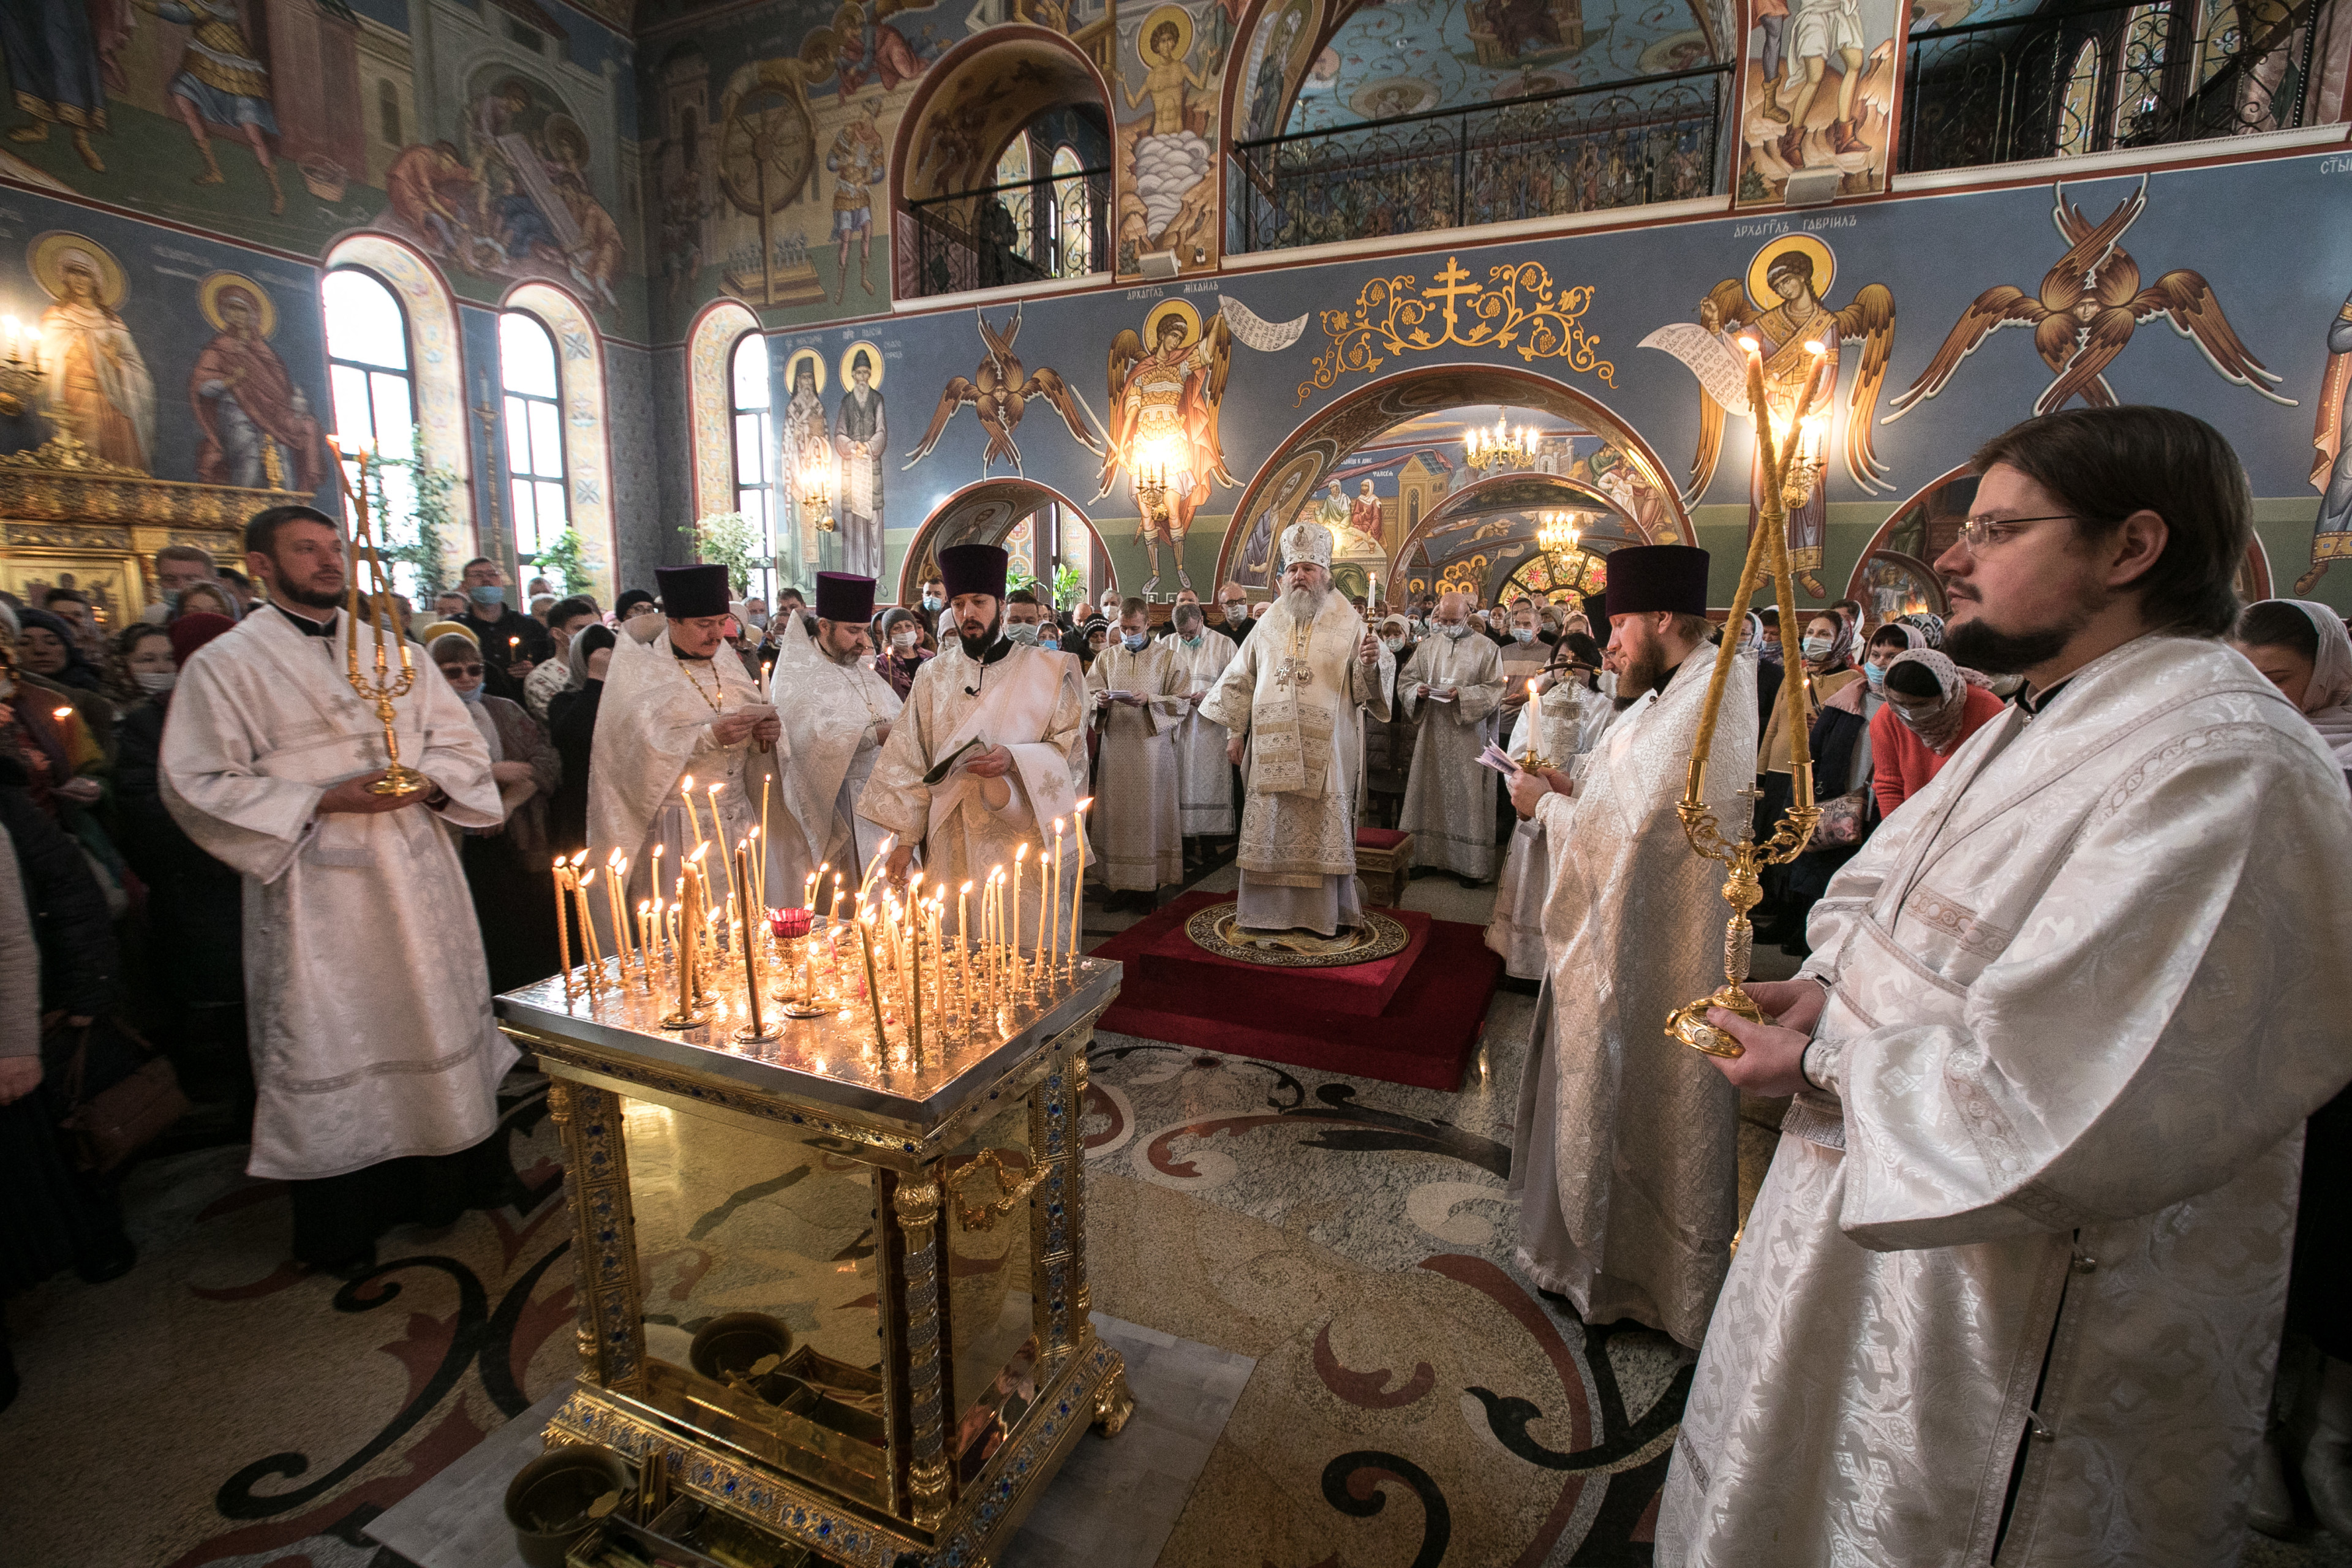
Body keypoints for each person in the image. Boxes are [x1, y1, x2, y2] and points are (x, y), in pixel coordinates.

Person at [1660, 407, 2352, 1567]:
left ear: (2131, 548)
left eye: (1996, 527)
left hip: (2011, 1322)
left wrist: (1822, 1061)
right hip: (1875, 1238)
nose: (1948, 554)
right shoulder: (2059, 708)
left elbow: (2088, 1086)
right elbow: (1889, 883)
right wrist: (1828, 990)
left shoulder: (2225, 761)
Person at [160, 505, 514, 1276]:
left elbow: (460, 747)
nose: (327, 562)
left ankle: (450, 1180)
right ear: (259, 565)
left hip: (416, 872)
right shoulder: (225, 666)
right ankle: (346, 1216)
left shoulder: (396, 655)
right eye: (306, 550)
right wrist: (321, 798)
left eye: (335, 548)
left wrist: (429, 781)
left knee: (431, 1010)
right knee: (333, 1027)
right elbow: (194, 783)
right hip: (315, 890)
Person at [1504, 546, 1754, 1348]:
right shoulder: (1667, 694)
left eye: (1617, 625)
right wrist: (1577, 788)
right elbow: (1628, 800)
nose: (1606, 645)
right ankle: (1571, 1257)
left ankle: (1631, 1281)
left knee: (1635, 1103)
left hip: (1656, 964)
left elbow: (1638, 842)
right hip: (1621, 942)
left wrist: (1546, 810)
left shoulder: (1711, 702)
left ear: (1664, 620)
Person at [858, 543, 1088, 945]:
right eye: (959, 603)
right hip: (949, 838)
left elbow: (1072, 754)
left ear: (999, 604)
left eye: (978, 602)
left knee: (1021, 944)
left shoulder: (1045, 671)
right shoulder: (932, 676)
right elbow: (909, 756)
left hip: (1020, 835)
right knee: (957, 945)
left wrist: (1015, 760)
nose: (968, 614)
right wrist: (906, 842)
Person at [1199, 521, 1395, 938]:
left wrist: (1372, 663)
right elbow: (1240, 679)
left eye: (1309, 567)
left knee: (1320, 833)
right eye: (1293, 569)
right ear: (1281, 578)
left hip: (1329, 751)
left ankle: (1323, 915)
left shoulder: (1350, 622)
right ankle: (1265, 916)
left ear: (1326, 574)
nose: (1300, 576)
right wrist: (1236, 732)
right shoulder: (1268, 622)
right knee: (1269, 829)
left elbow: (1367, 687)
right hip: (1270, 747)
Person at [587, 564, 780, 924]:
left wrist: (764, 737)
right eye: (703, 624)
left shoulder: (729, 666)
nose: (716, 634)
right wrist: (707, 736)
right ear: (673, 621)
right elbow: (635, 750)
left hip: (737, 818)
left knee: (745, 926)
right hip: (680, 825)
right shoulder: (644, 674)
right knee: (688, 930)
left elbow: (754, 743)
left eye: (720, 621)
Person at [113, 612, 247, 1112]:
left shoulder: (253, 710)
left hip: (272, 883)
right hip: (205, 890)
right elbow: (149, 816)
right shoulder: (149, 726)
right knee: (232, 1017)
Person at [430, 630, 560, 993]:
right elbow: (422, 774)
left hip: (514, 835)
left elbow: (545, 759)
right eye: (453, 673)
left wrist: (506, 804)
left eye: (475, 670)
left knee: (522, 927)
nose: (467, 679)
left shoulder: (504, 709)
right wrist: (490, 771)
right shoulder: (419, 721)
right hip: (454, 842)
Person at [768, 571, 899, 908]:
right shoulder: (799, 674)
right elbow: (806, 739)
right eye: (853, 631)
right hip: (839, 803)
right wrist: (872, 736)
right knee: (853, 902)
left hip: (881, 804)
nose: (864, 642)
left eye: (865, 631)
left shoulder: (858, 668)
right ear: (824, 626)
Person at [1485, 631, 1611, 981]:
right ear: (1552, 664)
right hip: (1534, 804)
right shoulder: (1534, 704)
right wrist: (1528, 778)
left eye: (1578, 662)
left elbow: (1601, 759)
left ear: (1593, 667)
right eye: (1563, 660)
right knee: (1530, 879)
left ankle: (1563, 964)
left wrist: (1562, 781)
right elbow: (1519, 748)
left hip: (1573, 806)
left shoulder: (1605, 708)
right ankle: (1523, 960)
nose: (1570, 669)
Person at [1398, 591, 1507, 886]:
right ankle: (1424, 856)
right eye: (1442, 620)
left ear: (1468, 614)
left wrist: (1464, 695)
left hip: (1468, 736)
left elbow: (1496, 689)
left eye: (1454, 620)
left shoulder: (1487, 648)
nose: (1447, 625)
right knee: (1428, 790)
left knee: (1467, 794)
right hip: (1432, 731)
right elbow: (1406, 681)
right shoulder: (1428, 647)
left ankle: (1469, 865)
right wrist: (1418, 691)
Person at [1087, 597, 1189, 910]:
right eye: (1123, 627)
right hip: (1116, 749)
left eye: (1134, 627)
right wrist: (1099, 702)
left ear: (1148, 624)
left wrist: (1150, 700)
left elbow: (1182, 701)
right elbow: (1089, 694)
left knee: (1149, 815)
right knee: (1116, 816)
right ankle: (1119, 884)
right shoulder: (1106, 659)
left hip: (1152, 752)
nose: (1128, 632)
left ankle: (1148, 887)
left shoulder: (1169, 659)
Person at [1869, 647, 2005, 816]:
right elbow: (1889, 784)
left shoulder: (1987, 710)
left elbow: (1995, 780)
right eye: (1900, 703)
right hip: (1912, 818)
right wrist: (1896, 832)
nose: (1909, 713)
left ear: (1947, 693)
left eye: (1920, 706)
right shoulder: (1888, 716)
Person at [2231, 598, 2352, 786]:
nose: (2252, 691)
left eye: (2276, 679)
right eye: (2240, 678)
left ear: (2327, 673)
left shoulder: (2345, 759)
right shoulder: (2222, 735)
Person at [1166, 598, 1235, 858]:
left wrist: (1208, 695)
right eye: (1181, 634)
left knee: (1207, 783)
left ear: (1202, 622)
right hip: (1178, 728)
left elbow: (1235, 684)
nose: (1186, 639)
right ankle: (1182, 847)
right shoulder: (1168, 644)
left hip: (1210, 728)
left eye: (1191, 633)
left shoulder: (1224, 645)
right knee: (1179, 782)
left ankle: (1208, 845)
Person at [546, 624, 614, 858]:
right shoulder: (565, 701)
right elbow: (576, 737)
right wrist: (595, 681)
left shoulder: (631, 701)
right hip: (581, 808)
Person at [455, 556, 552, 689]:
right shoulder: (456, 628)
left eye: (492, 574)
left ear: (502, 582)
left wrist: (534, 670)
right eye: (477, 575)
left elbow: (550, 664)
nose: (487, 580)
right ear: (464, 585)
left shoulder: (529, 626)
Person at [524, 596, 602, 723]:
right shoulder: (541, 679)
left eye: (593, 628)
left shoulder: (604, 667)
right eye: (580, 628)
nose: (589, 635)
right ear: (557, 634)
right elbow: (571, 726)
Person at [875, 606, 930, 701]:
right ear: (889, 635)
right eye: (897, 628)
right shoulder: (881, 663)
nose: (904, 631)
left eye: (908, 626)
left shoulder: (930, 657)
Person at [1215, 582, 1254, 646]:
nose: (1238, 605)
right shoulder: (1216, 634)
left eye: (1241, 600)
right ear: (1222, 608)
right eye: (1231, 602)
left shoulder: (1258, 628)